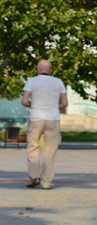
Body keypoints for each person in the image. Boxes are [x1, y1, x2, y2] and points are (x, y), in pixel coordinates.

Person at [21, 60, 68, 190]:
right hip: (53, 118)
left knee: (33, 147)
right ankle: (46, 182)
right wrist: (52, 107)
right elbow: (64, 103)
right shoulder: (58, 82)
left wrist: (33, 105)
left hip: (36, 117)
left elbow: (24, 101)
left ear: (38, 70)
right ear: (50, 70)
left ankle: (34, 177)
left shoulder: (31, 81)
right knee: (50, 150)